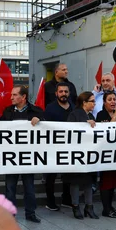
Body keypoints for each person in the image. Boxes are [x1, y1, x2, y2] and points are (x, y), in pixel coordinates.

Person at [0, 85, 44, 223]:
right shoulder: (8, 111)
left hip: (28, 156)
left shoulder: (36, 111)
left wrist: (40, 120)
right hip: (11, 156)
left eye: (14, 95)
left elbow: (48, 128)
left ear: (23, 97)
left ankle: (30, 213)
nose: (11, 97)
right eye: (11, 95)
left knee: (29, 187)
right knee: (10, 188)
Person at [66, 91, 99, 219]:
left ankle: (89, 207)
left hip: (88, 154)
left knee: (88, 181)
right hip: (76, 154)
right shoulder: (74, 115)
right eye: (92, 101)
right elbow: (70, 132)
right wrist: (86, 126)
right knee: (75, 182)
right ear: (84, 103)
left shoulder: (91, 115)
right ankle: (76, 206)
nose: (94, 103)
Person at [95, 90, 116, 218]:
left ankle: (110, 206)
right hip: (106, 153)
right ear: (104, 102)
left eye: (114, 99)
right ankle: (106, 209)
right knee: (106, 182)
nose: (113, 102)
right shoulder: (101, 115)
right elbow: (110, 129)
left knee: (114, 181)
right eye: (110, 99)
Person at [43, 82, 74, 211]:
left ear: (69, 93)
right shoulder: (50, 108)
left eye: (66, 92)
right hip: (53, 147)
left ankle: (66, 199)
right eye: (60, 92)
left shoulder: (74, 107)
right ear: (56, 93)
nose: (63, 94)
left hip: (70, 147)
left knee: (69, 176)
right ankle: (51, 202)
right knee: (51, 176)